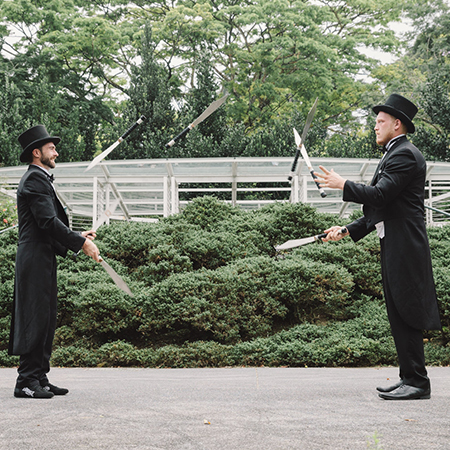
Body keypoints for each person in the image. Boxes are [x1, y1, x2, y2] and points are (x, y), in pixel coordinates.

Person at [314, 94, 441, 400]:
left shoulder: (405, 154)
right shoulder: (393, 153)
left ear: (397, 124)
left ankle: (418, 383)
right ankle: (408, 376)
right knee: (398, 309)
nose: (375, 126)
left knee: (407, 308)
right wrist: (348, 229)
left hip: (406, 246)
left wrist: (343, 185)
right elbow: (383, 207)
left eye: (380, 121)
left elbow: (380, 196)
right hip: (395, 243)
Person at [9, 125, 101, 399]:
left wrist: (76, 236)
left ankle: (39, 377)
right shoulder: (35, 180)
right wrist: (81, 243)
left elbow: (47, 226)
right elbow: (47, 222)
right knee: (35, 318)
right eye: (51, 148)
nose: (56, 152)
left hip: (43, 256)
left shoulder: (40, 179)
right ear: (36, 153)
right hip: (34, 258)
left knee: (46, 318)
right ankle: (25, 381)